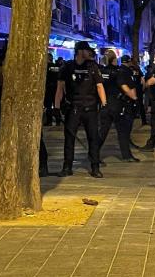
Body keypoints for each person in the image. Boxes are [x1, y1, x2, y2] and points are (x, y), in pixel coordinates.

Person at [54, 41, 107, 178]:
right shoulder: (67, 67)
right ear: (79, 51)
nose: (89, 52)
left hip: (90, 108)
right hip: (73, 108)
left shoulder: (92, 66)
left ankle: (95, 167)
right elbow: (60, 87)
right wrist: (56, 107)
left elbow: (99, 86)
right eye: (86, 50)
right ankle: (67, 167)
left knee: (93, 138)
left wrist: (104, 104)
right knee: (69, 139)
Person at [98, 50, 140, 162]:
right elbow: (124, 87)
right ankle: (127, 156)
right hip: (117, 105)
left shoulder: (101, 71)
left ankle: (93, 154)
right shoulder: (118, 72)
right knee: (123, 131)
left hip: (105, 104)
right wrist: (134, 98)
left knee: (102, 132)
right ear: (115, 59)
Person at [44, 53, 61, 126]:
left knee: (48, 105)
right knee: (56, 104)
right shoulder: (56, 67)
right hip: (56, 87)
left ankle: (49, 121)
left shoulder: (46, 67)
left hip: (48, 88)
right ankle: (58, 120)